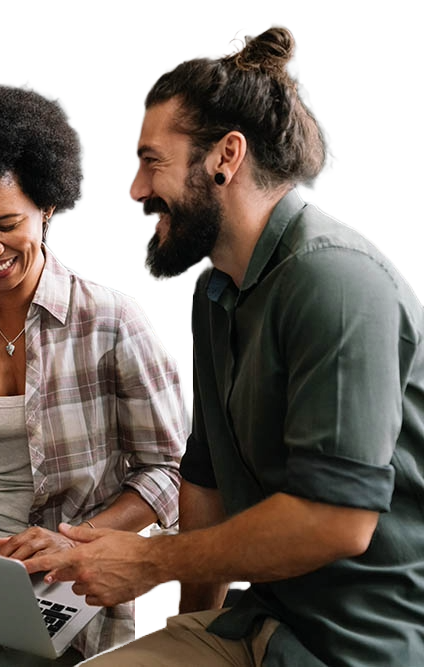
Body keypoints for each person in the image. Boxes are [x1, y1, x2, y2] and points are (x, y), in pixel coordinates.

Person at [25, 23, 424, 666]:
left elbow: (337, 520)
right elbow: (206, 482)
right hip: (256, 626)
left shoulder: (338, 282)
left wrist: (148, 561)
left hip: (356, 650)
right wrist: (191, 632)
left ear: (225, 157)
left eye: (151, 161)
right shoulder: (216, 288)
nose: (134, 190)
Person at [0, 80, 187, 665]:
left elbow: (171, 470)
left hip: (75, 582)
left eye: (7, 224)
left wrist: (70, 545)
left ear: (47, 208)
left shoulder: (113, 322)